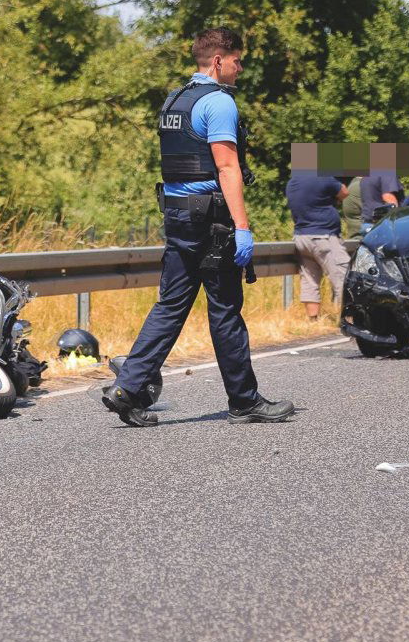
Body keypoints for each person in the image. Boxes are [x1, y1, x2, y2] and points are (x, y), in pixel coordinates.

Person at [102, 27, 294, 427]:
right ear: (219, 60)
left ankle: (128, 389)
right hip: (210, 218)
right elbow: (227, 166)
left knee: (171, 304)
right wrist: (242, 226)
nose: (241, 68)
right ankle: (244, 401)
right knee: (225, 308)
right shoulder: (219, 103)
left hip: (176, 213)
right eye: (238, 60)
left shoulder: (175, 100)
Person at [285, 169, 349, 320]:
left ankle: (312, 319)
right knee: (343, 276)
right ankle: (349, 318)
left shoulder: (292, 182)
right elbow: (344, 193)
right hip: (323, 236)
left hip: (301, 237)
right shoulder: (324, 177)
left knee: (309, 278)